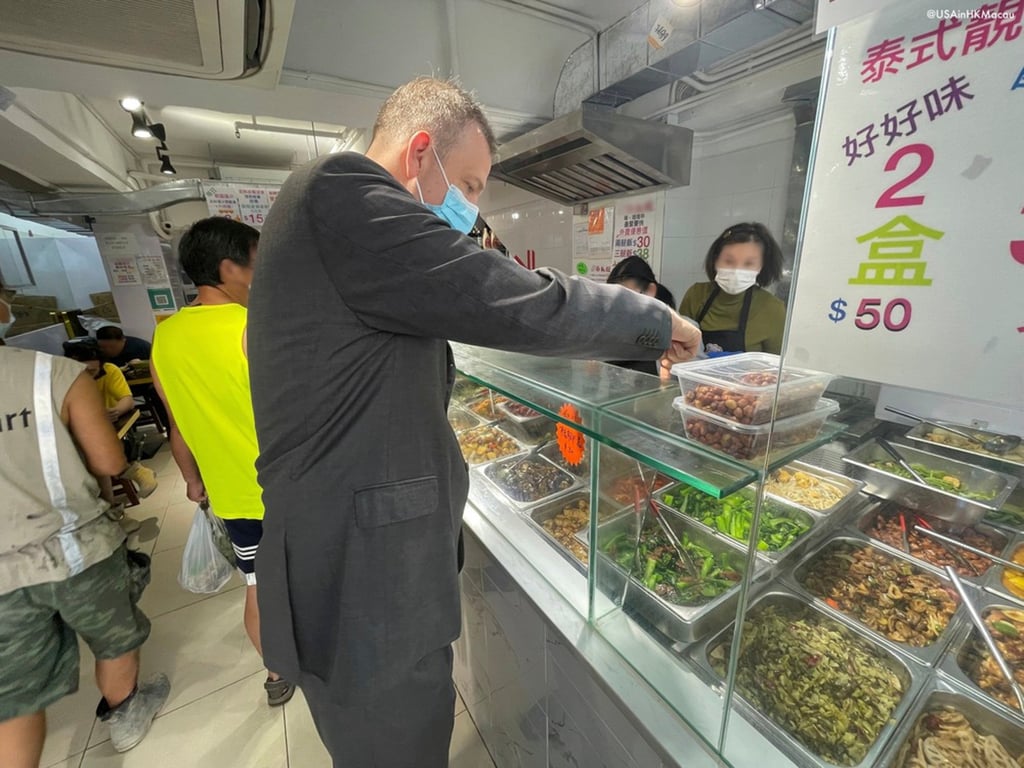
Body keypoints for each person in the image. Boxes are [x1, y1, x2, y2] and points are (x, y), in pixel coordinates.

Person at [247, 76, 701, 768]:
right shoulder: (340, 191)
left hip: (352, 560)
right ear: (419, 152)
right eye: (470, 182)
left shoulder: (325, 223)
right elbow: (498, 294)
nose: (471, 205)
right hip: (360, 583)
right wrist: (654, 320)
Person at [0, 341, 169, 766]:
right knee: (113, 638)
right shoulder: (53, 374)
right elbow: (110, 461)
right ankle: (126, 717)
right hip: (76, 547)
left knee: (16, 694)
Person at [150, 217, 295, 708]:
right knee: (311, 578)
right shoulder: (255, 327)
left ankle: (277, 673)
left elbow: (177, 425)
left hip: (231, 495)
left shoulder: (165, 337)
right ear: (229, 268)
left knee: (257, 584)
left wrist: (193, 482)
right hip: (285, 488)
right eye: (257, 262)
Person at [63, 340, 158, 498]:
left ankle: (113, 504)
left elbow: (127, 399)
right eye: (82, 371)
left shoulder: (109, 371)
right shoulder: (62, 379)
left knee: (96, 458)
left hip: (106, 430)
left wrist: (116, 411)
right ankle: (133, 473)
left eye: (92, 372)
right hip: (75, 433)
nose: (87, 377)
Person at [678, 222, 787, 356]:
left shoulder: (772, 308)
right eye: (729, 261)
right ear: (715, 260)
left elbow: (774, 369)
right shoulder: (696, 295)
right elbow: (680, 350)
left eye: (748, 264)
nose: (737, 270)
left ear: (762, 267)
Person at [607, 256, 677, 376]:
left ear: (650, 291)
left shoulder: (674, 330)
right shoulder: (612, 325)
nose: (621, 306)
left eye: (627, 297)